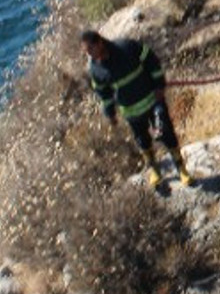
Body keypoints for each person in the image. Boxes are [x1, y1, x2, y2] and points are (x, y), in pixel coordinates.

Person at [81, 30, 194, 187]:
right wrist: (110, 113)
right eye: (87, 52)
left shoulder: (126, 47)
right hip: (131, 111)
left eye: (90, 50)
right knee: (143, 141)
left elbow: (151, 60)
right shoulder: (95, 69)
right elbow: (103, 93)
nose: (90, 55)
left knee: (167, 134)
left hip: (153, 101)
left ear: (99, 42)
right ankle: (155, 171)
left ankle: (182, 170)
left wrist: (159, 85)